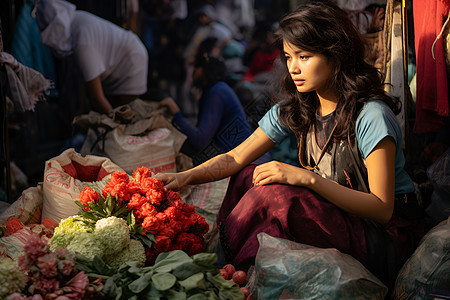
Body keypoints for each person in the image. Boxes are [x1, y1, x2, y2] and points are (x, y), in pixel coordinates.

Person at [155, 0, 424, 288]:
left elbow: (381, 208)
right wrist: (184, 177)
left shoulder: (371, 116)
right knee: (248, 176)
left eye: (304, 57)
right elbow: (235, 158)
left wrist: (307, 179)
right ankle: (232, 266)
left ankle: (235, 271)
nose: (294, 68)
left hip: (382, 235)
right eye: (288, 57)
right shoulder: (297, 109)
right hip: (338, 217)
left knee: (276, 197)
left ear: (336, 55)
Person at [35, 0, 148, 114]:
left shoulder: (81, 41)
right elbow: (85, 79)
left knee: (126, 113)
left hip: (131, 61)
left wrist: (114, 125)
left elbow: (96, 97)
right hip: (128, 53)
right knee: (120, 111)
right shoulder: (76, 21)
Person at [159, 48, 270, 165]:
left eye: (197, 67)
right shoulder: (214, 90)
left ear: (205, 70)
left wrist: (176, 113)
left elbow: (199, 140)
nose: (193, 72)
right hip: (241, 156)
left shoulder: (216, 92)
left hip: (249, 160)